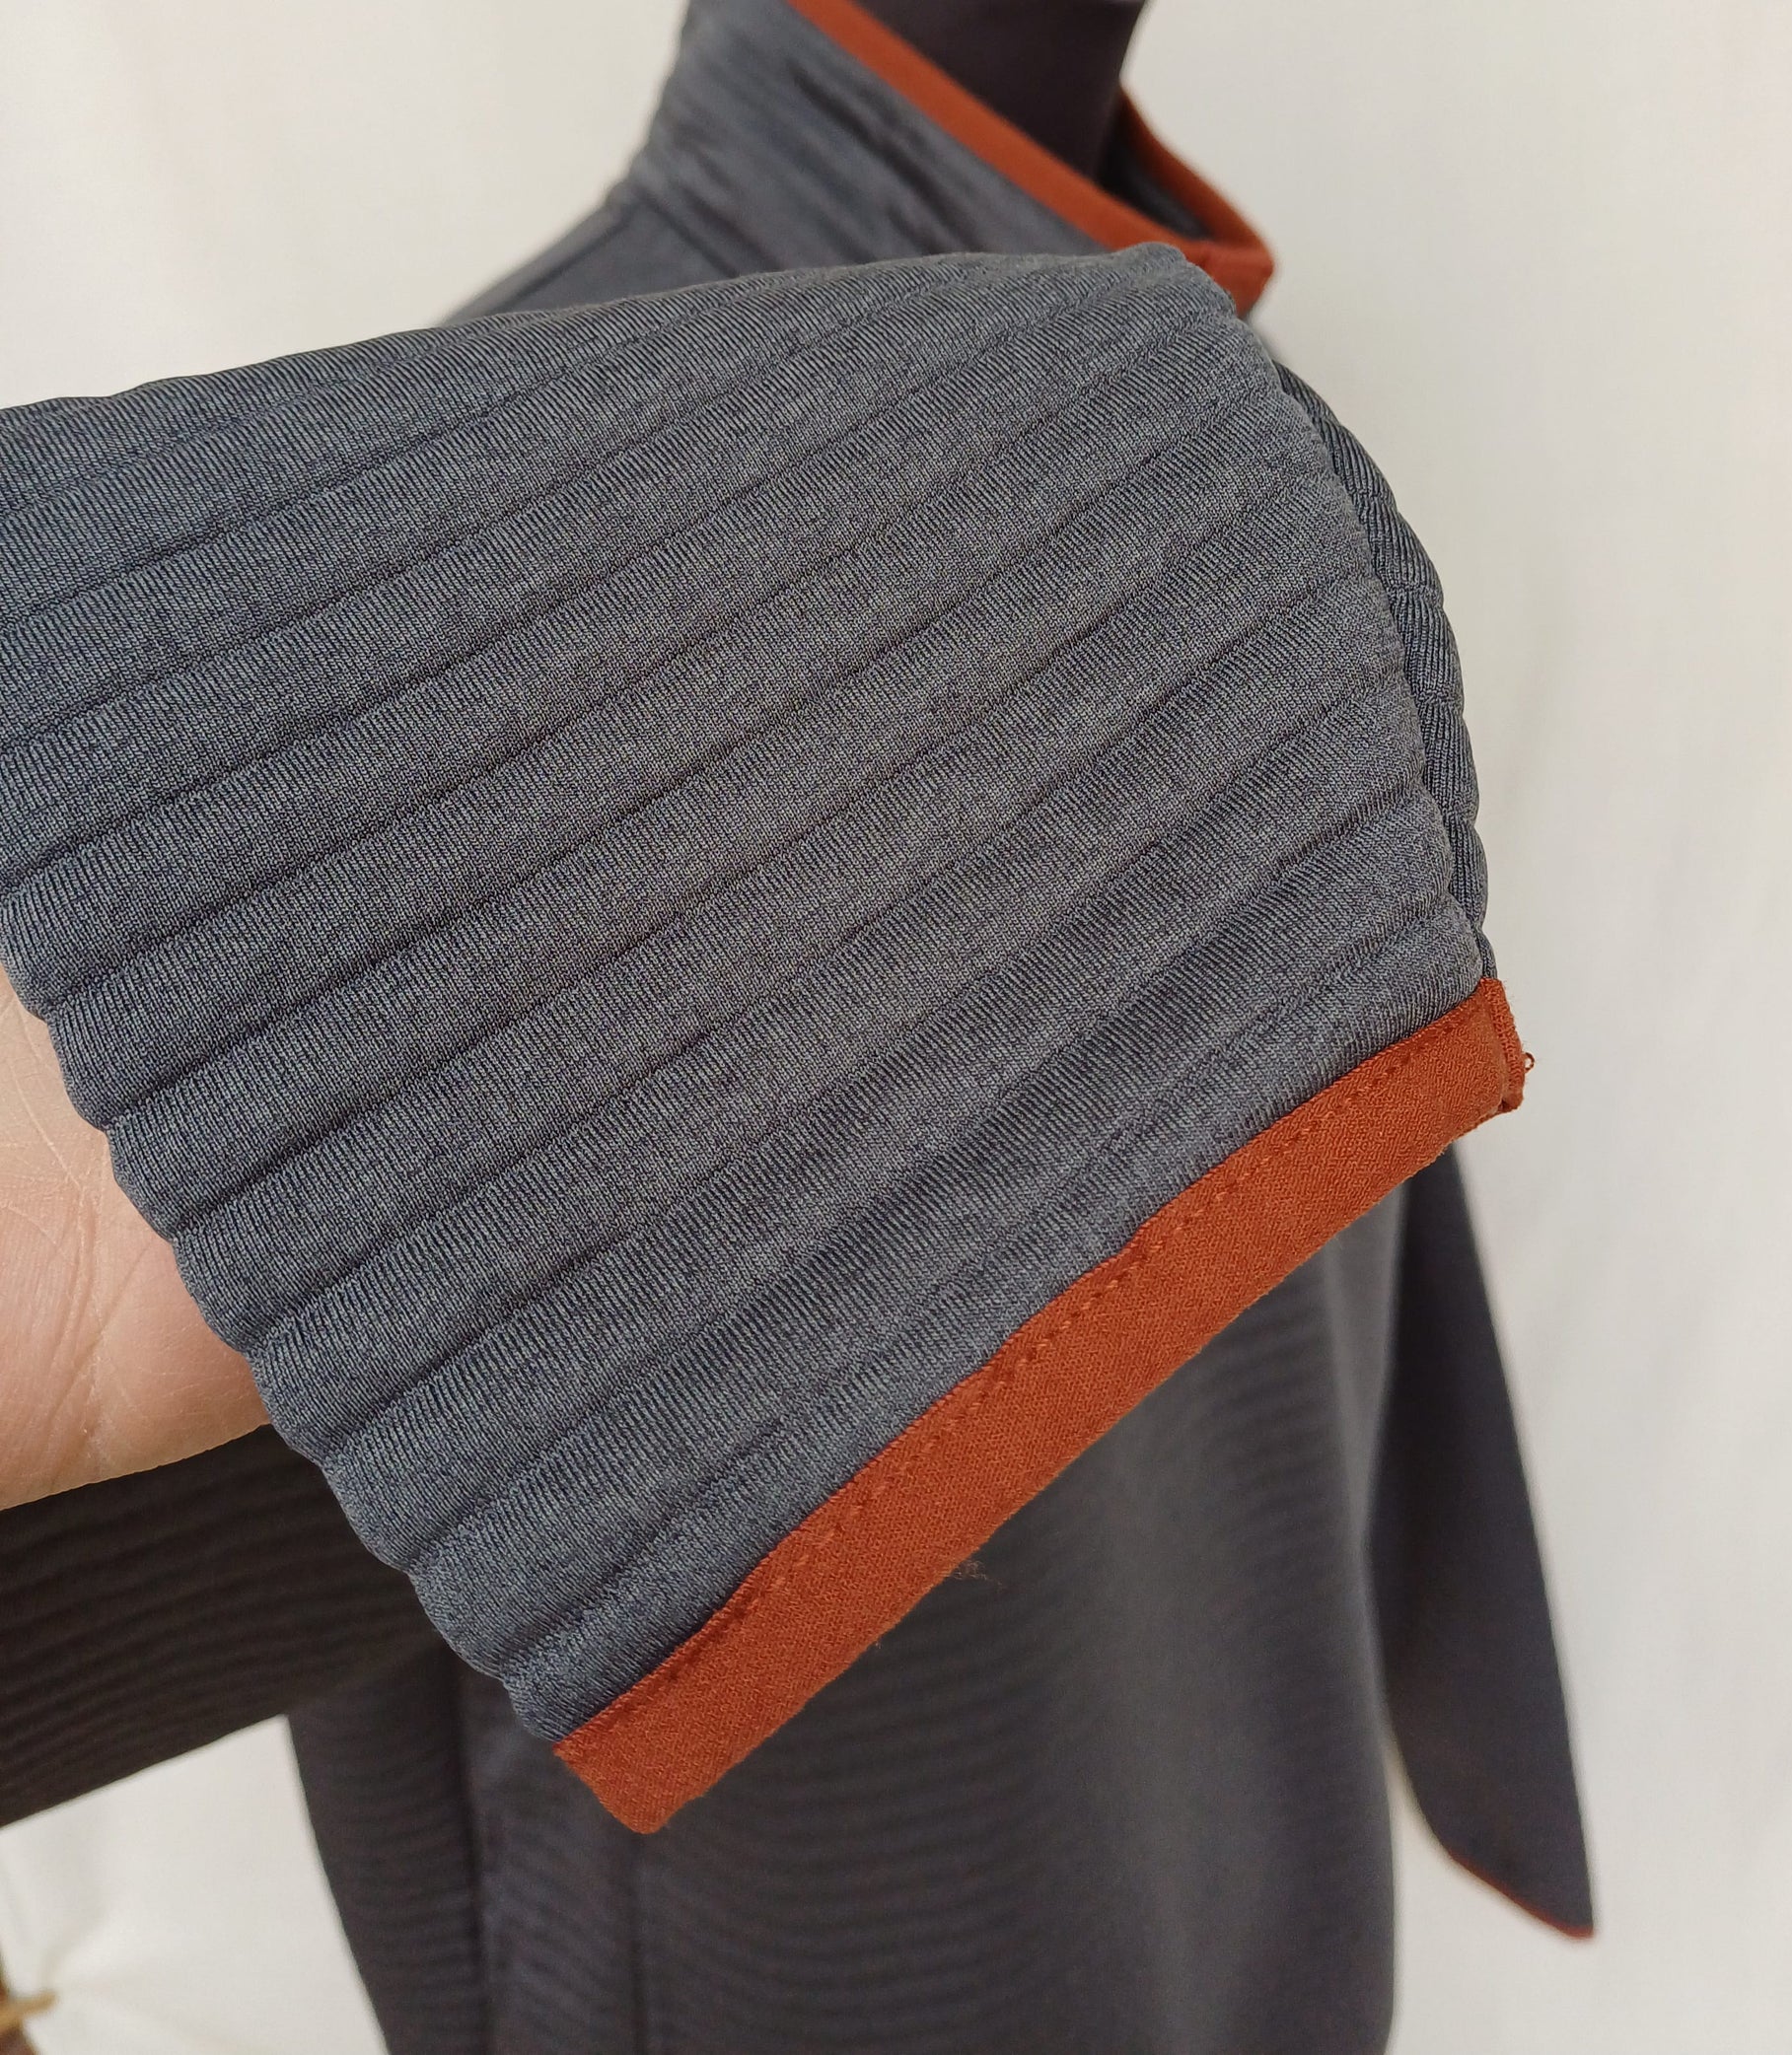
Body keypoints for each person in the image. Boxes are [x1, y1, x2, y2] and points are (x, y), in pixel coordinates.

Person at [0, 2, 1589, 2047]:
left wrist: (1444, 1661)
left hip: (1234, 1871)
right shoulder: (498, 560)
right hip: (821, 1945)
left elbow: (1358, 1151)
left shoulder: (1208, 475)